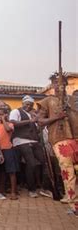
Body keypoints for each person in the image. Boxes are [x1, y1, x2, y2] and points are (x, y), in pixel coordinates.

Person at [37, 73, 78, 203]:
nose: (59, 85)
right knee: (68, 169)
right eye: (56, 83)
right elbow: (40, 121)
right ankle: (72, 198)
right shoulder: (47, 101)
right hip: (59, 138)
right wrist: (57, 117)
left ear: (65, 84)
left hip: (75, 137)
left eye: (61, 82)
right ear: (53, 85)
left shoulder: (73, 99)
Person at [9, 95, 47, 198]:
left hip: (34, 140)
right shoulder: (16, 111)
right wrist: (30, 121)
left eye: (31, 104)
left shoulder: (32, 114)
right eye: (27, 104)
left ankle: (45, 188)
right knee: (31, 163)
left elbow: (36, 128)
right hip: (21, 141)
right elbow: (13, 123)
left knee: (44, 162)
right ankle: (32, 189)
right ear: (22, 103)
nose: (29, 106)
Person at [0, 108, 19, 200]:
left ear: (5, 114)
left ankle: (13, 192)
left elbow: (8, 129)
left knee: (11, 172)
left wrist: (4, 120)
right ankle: (2, 191)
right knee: (1, 172)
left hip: (8, 149)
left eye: (1, 114)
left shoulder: (10, 124)